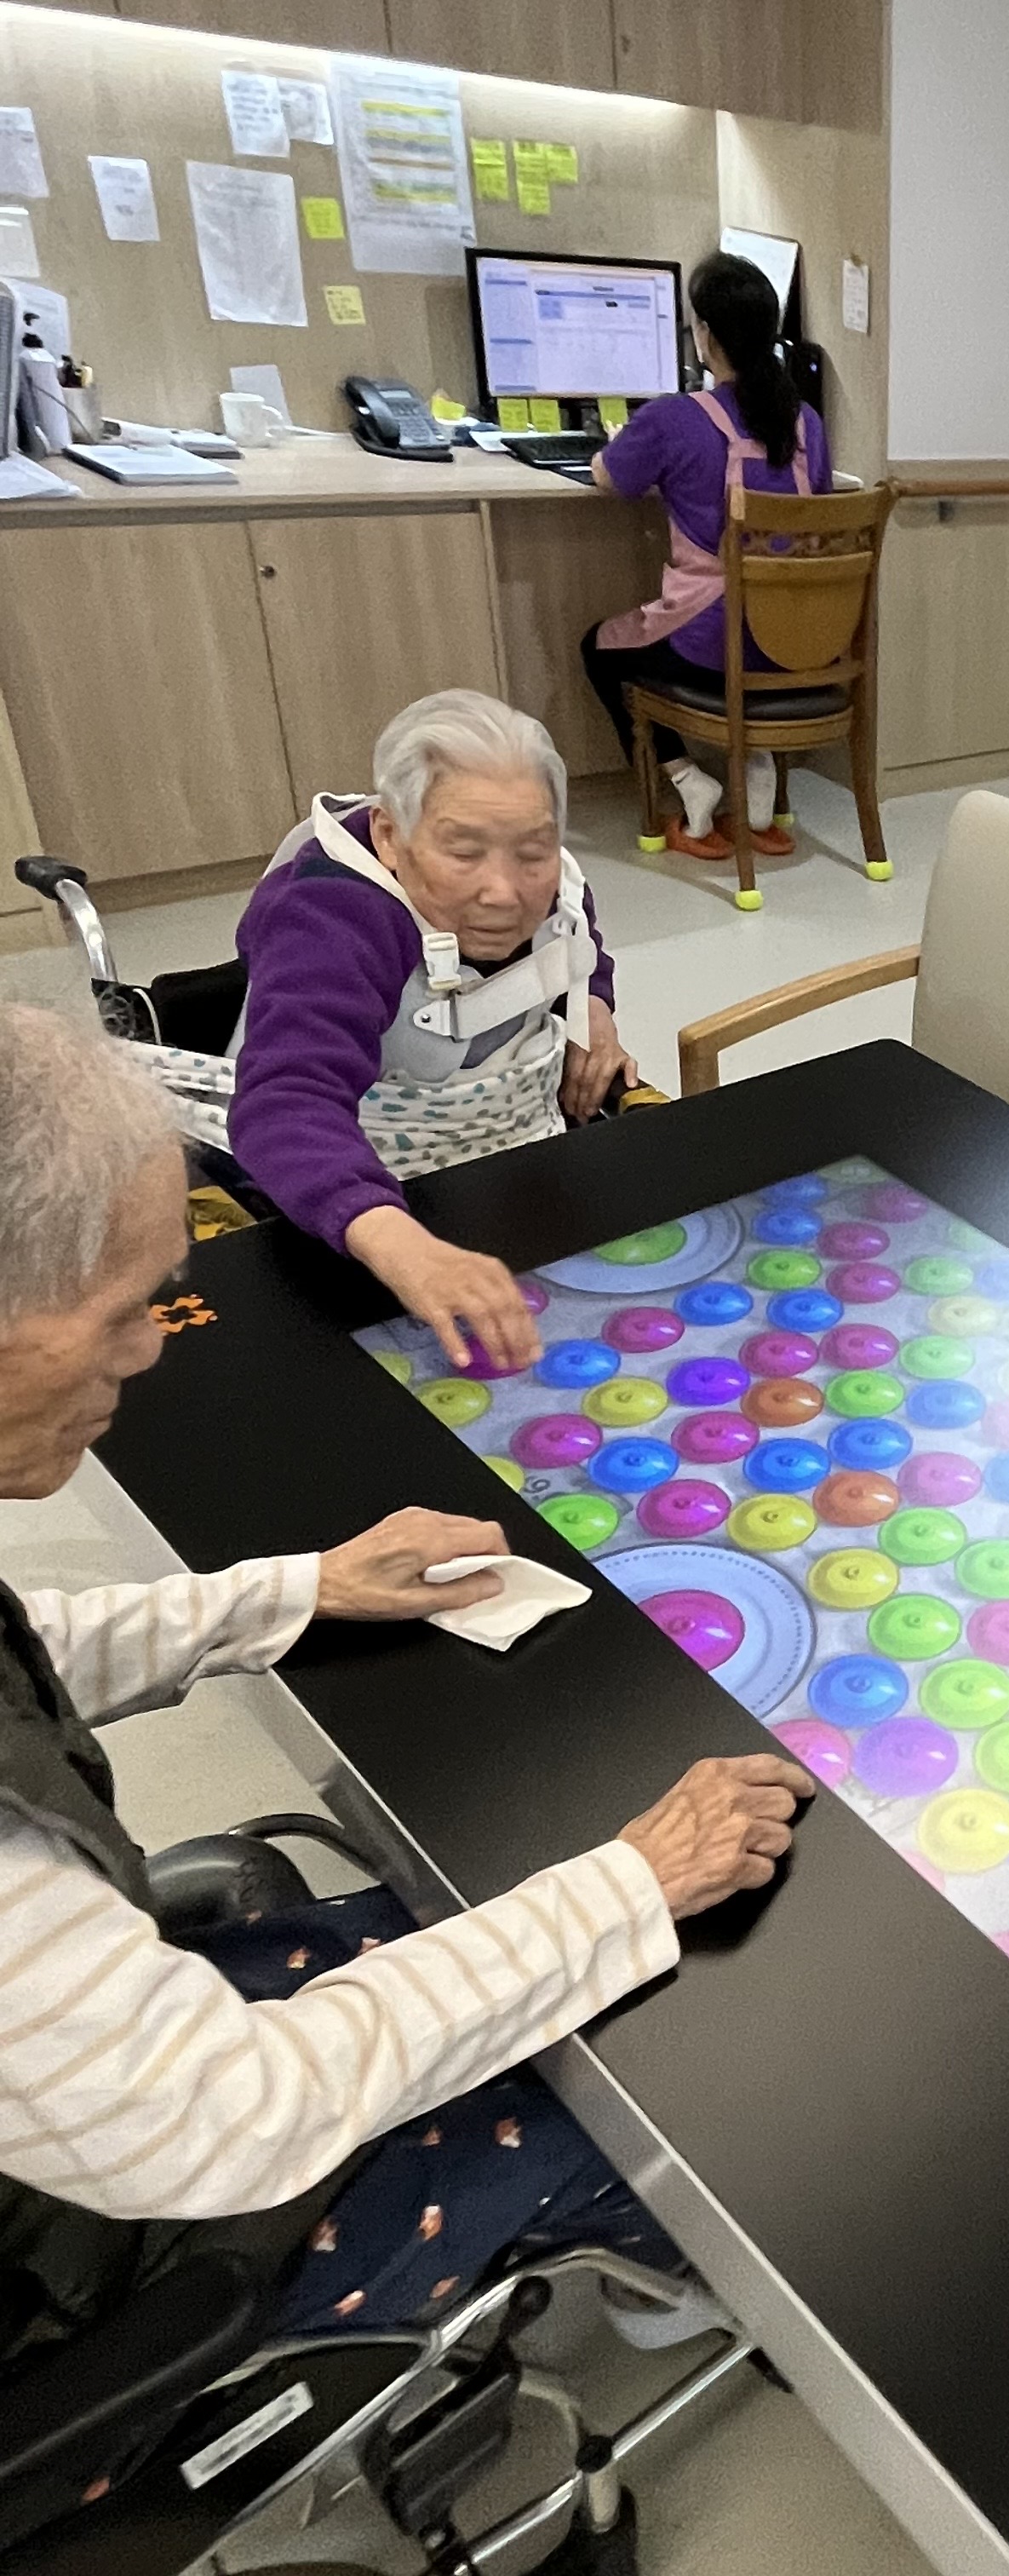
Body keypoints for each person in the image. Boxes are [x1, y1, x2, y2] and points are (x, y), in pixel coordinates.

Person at [0, 999, 811, 2406]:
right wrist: (635, 1880)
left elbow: (22, 1644)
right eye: (121, 1313)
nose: (150, 1349)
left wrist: (292, 1590)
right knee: (709, 2085)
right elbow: (231, 2120)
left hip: (80, 2115)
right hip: (115, 2258)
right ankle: (684, 2277)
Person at [147, 691, 635, 1378]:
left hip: (507, 1159)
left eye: (533, 851)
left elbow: (576, 939)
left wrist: (594, 1013)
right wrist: (405, 1247)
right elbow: (289, 1103)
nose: (504, 892)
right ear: (387, 835)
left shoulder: (555, 880)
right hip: (340, 1186)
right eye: (463, 852)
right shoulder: (327, 921)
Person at [581, 251, 834, 864]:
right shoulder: (806, 422)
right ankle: (759, 777)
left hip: (712, 646)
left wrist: (617, 444)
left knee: (598, 648)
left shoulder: (673, 418)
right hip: (801, 642)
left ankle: (690, 782)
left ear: (704, 335)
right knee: (746, 644)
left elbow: (610, 477)